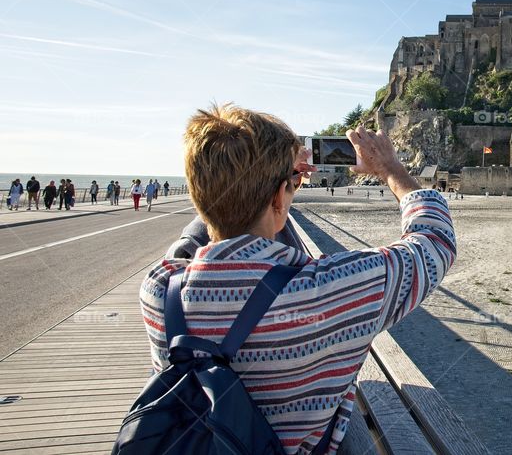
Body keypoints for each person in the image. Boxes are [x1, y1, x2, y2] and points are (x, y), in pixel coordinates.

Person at [139, 104, 455, 453]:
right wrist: (390, 168)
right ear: (278, 198)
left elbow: (213, 224)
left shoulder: (159, 288)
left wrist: (277, 181)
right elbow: (434, 241)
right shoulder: (331, 289)